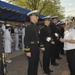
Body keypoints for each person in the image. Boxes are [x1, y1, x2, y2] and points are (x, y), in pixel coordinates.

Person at [24, 10, 40, 75]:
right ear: (32, 17)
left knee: (36, 64)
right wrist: (27, 51)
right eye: (36, 16)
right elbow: (26, 40)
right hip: (31, 48)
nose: (38, 18)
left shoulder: (35, 27)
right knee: (31, 65)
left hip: (36, 48)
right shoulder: (29, 27)